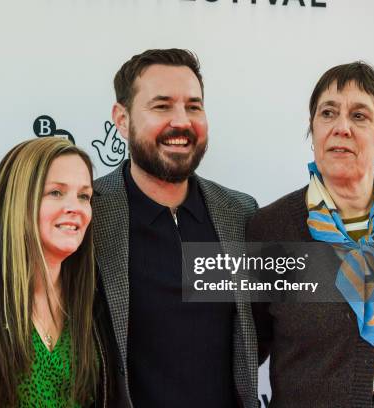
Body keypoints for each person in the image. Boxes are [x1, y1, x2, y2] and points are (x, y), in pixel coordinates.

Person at [248, 62, 374, 407]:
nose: (341, 128)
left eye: (359, 116)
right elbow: (246, 348)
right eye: (328, 113)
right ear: (313, 128)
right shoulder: (268, 230)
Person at [92, 49, 259, 408]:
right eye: (162, 106)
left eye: (193, 106)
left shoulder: (241, 214)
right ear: (122, 119)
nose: (181, 121)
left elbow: (273, 331)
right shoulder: (88, 214)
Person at [0, 137, 106, 407]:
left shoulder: (94, 302)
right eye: (56, 192)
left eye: (84, 196)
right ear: (19, 200)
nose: (75, 208)